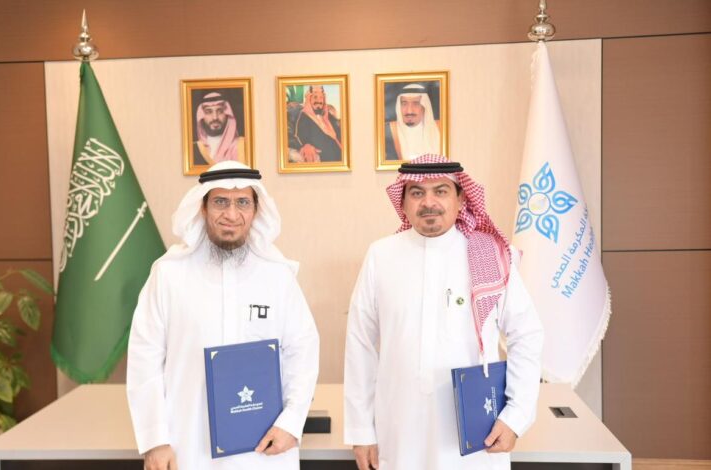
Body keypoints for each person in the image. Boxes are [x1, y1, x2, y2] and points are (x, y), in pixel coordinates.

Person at [344, 154, 544, 469]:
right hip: (399, 428)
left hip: (477, 434)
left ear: (461, 198)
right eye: (417, 193)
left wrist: (516, 416)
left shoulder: (490, 254)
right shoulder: (381, 256)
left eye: (441, 191)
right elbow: (360, 345)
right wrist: (361, 431)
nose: (429, 202)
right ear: (403, 201)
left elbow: (527, 334)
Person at [127, 161, 320, 470]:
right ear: (203, 207)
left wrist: (292, 422)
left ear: (256, 210)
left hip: (265, 449)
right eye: (220, 202)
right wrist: (155, 441)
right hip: (189, 446)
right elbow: (144, 360)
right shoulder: (168, 275)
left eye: (242, 202)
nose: (231, 214)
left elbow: (302, 353)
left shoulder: (278, 276)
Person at [384, 83, 441, 161]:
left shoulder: (440, 128)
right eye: (404, 104)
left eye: (416, 104)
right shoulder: (388, 131)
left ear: (425, 106)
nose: (409, 111)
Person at [289, 85, 342, 162]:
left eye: (321, 97)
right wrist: (306, 146)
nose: (319, 101)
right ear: (309, 98)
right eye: (315, 97)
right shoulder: (304, 117)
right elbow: (302, 138)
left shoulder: (329, 117)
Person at [193, 91, 245, 165]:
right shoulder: (195, 148)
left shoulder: (240, 145)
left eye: (220, 111)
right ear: (201, 116)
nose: (215, 117)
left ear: (227, 114)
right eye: (208, 112)